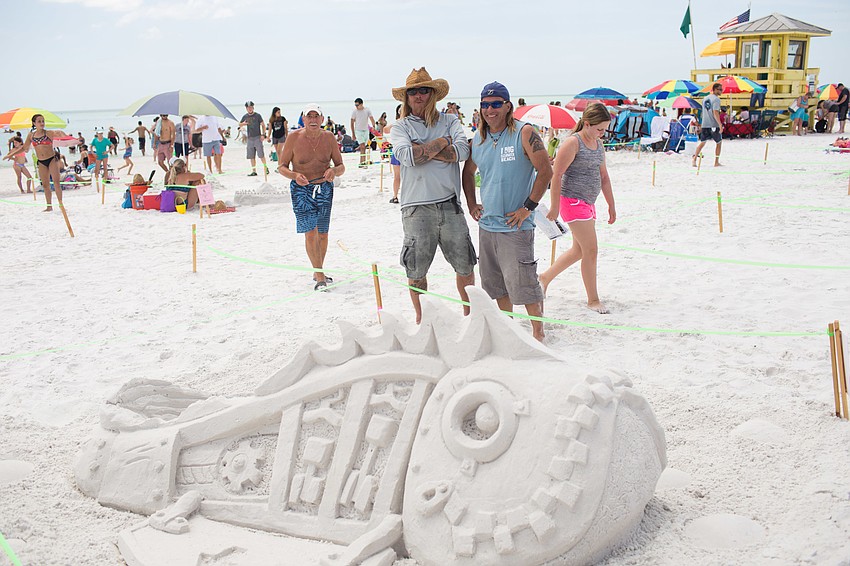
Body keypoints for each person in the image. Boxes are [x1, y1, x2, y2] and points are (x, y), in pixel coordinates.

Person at [461, 81, 553, 341]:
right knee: (496, 284)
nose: (490, 110)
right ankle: (509, 331)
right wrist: (471, 204)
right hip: (487, 225)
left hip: (516, 225)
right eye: (485, 105)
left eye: (496, 104)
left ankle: (538, 333)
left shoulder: (525, 132)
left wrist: (527, 208)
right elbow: (468, 173)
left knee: (524, 284)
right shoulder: (478, 139)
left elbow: (545, 172)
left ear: (508, 106)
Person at [390, 67, 475, 324]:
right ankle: (422, 320)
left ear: (433, 94)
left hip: (449, 203)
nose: (418, 95)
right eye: (413, 92)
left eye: (424, 90)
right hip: (415, 207)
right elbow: (407, 157)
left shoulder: (450, 121)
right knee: (416, 271)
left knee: (465, 265)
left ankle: (469, 316)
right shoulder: (401, 126)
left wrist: (424, 149)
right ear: (407, 97)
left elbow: (463, 152)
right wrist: (442, 142)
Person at [539, 103, 616, 315]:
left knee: (579, 250)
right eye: (599, 129)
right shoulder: (573, 143)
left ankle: (544, 278)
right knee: (591, 250)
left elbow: (604, 177)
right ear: (587, 124)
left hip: (588, 202)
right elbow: (556, 175)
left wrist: (611, 204)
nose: (602, 133)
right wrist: (554, 206)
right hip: (571, 201)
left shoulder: (598, 144)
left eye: (605, 129)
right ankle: (593, 300)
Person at [277, 104, 345, 290]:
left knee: (322, 233)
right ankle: (320, 276)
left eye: (317, 116)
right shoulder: (293, 138)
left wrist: (333, 171)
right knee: (310, 232)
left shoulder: (329, 137)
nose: (313, 120)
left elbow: (341, 166)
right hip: (301, 190)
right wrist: (294, 175)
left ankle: (318, 270)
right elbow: (281, 167)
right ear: (303, 119)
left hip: (324, 189)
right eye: (310, 116)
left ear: (322, 119)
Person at [3, 114, 70, 211]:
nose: (42, 123)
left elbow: (60, 133)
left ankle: (61, 204)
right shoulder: (31, 135)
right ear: (34, 123)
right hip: (41, 161)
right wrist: (10, 155)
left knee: (56, 183)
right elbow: (24, 148)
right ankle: (49, 206)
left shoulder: (49, 133)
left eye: (43, 121)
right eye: (39, 121)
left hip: (51, 159)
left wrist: (64, 135)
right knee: (45, 185)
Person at [692, 82, 723, 168]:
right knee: (719, 142)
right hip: (713, 124)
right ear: (715, 90)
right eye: (720, 89)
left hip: (705, 123)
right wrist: (720, 124)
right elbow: (715, 112)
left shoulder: (705, 99)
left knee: (702, 142)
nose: (721, 91)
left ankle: (694, 159)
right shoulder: (716, 99)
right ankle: (716, 162)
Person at [240, 101, 268, 176]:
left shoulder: (257, 115)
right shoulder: (245, 116)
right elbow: (240, 124)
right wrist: (243, 124)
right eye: (248, 107)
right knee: (251, 156)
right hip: (250, 138)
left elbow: (263, 125)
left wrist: (263, 134)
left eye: (251, 107)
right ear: (246, 108)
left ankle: (265, 168)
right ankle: (254, 171)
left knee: (261, 155)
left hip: (257, 137)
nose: (249, 109)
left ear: (253, 107)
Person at [383, 104, 402, 204]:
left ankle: (395, 196)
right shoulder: (409, 122)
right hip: (405, 151)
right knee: (407, 176)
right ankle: (397, 196)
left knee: (397, 176)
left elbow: (385, 130)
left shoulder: (396, 123)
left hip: (397, 151)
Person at [350, 97, 376, 167]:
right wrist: (353, 134)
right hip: (358, 130)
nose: (356, 106)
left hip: (366, 130)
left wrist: (374, 126)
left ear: (361, 104)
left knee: (364, 146)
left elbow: (371, 118)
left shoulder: (367, 110)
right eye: (355, 105)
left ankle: (363, 162)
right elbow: (352, 122)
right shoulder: (355, 111)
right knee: (362, 146)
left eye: (357, 105)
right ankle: (362, 162)